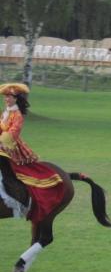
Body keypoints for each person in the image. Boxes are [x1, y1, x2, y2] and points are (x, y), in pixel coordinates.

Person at [0, 83, 63, 221]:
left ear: (16, 99)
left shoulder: (17, 115)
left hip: (9, 146)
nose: (7, 99)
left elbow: (13, 132)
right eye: (6, 97)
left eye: (10, 97)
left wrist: (1, 142)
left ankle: (12, 196)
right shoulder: (5, 112)